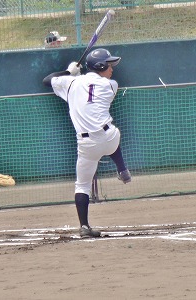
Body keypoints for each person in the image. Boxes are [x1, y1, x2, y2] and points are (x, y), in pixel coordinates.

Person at [43, 48, 131, 238]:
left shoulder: (71, 83)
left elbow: (47, 80)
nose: (111, 68)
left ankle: (84, 226)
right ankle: (122, 169)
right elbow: (91, 87)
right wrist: (76, 75)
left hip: (86, 145)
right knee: (115, 135)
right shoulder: (111, 86)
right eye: (108, 65)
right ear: (99, 66)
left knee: (82, 185)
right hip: (108, 138)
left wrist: (69, 72)